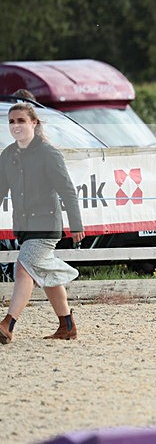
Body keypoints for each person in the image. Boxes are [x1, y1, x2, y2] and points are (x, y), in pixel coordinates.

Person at [0, 102, 85, 344]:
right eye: (12, 121)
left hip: (46, 225)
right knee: (43, 272)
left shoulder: (48, 153)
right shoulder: (8, 155)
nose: (16, 125)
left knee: (24, 266)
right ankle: (67, 325)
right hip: (24, 227)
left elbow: (67, 190)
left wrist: (76, 224)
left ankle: (8, 323)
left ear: (34, 123)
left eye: (21, 121)